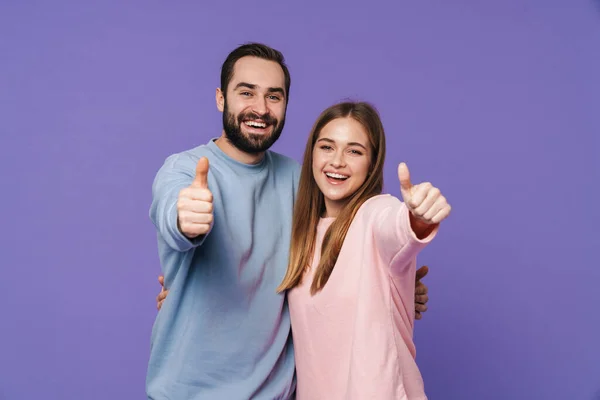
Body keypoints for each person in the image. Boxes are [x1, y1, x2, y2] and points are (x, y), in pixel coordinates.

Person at [147, 42, 430, 400]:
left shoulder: (301, 182)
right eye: (246, 93)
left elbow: (351, 239)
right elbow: (173, 211)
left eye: (274, 97)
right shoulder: (185, 170)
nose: (260, 109)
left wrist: (397, 286)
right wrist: (185, 220)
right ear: (221, 98)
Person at [277, 101, 450, 399]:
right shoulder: (300, 236)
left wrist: (418, 218)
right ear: (312, 154)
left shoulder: (374, 213)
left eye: (354, 151)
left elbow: (395, 228)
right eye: (327, 147)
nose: (337, 161)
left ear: (372, 163)